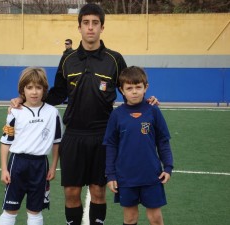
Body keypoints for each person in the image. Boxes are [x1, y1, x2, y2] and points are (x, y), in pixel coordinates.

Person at [10, 3, 158, 225]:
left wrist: (147, 101)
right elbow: (57, 93)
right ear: (79, 27)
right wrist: (23, 99)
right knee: (71, 192)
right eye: (86, 23)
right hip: (74, 135)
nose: (91, 28)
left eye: (95, 23)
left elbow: (129, 88)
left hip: (104, 135)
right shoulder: (68, 59)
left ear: (102, 27)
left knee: (99, 190)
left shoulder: (114, 59)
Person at [103, 66, 173, 225]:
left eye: (138, 87)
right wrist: (111, 175)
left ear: (145, 87)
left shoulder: (153, 111)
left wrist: (168, 166)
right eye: (129, 88)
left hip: (151, 175)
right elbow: (111, 146)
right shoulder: (117, 115)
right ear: (122, 90)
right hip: (126, 176)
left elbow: (163, 141)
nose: (134, 91)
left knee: (155, 218)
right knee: (130, 217)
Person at [0, 67, 63, 225]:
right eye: (29, 87)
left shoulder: (52, 113)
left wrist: (53, 167)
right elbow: (5, 142)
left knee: (35, 210)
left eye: (38, 87)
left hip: (41, 165)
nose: (34, 92)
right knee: (10, 209)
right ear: (22, 90)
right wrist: (4, 169)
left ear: (44, 90)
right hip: (17, 164)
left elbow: (56, 143)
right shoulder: (15, 112)